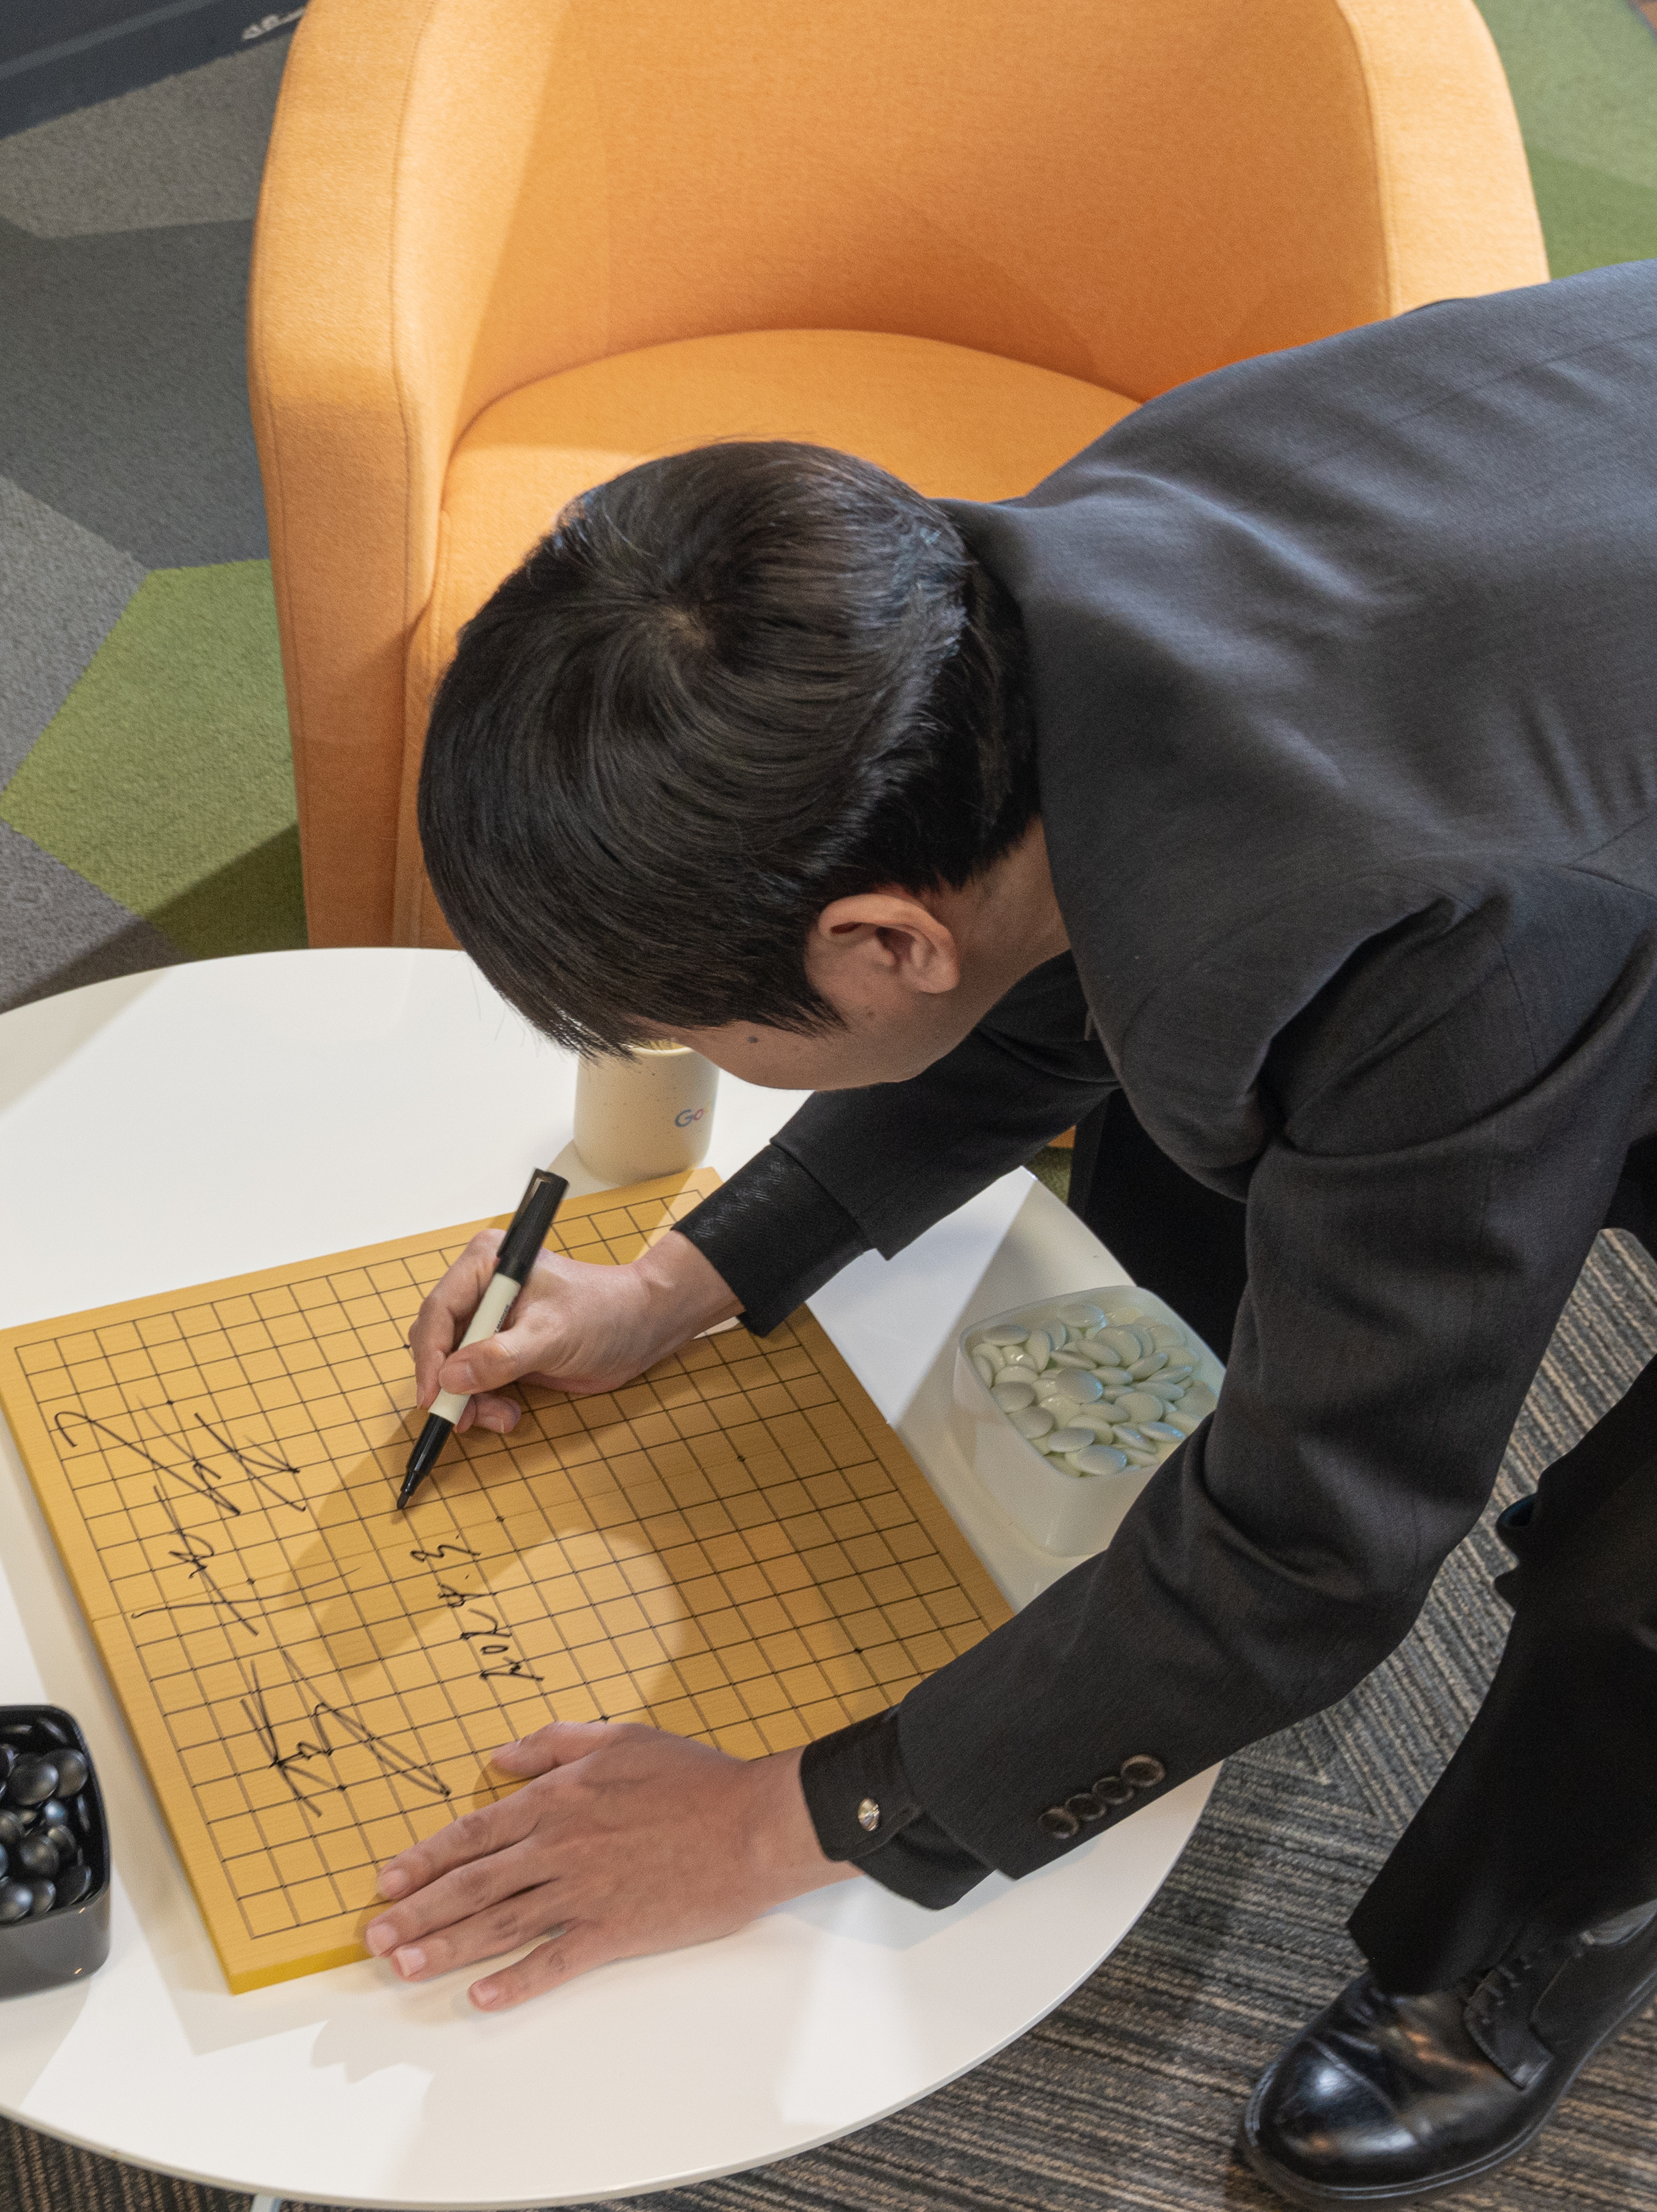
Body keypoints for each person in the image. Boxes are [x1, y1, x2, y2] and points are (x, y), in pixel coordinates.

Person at [366, 259, 1657, 2208]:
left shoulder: (1426, 929)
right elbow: (1033, 950)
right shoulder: (1003, 603)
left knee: (1627, 1585)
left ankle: (1517, 1947)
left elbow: (1316, 1554)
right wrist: (677, 1285)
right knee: (1191, 1159)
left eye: (679, 1025)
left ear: (873, 941)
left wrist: (777, 1826)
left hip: (1550, 858)